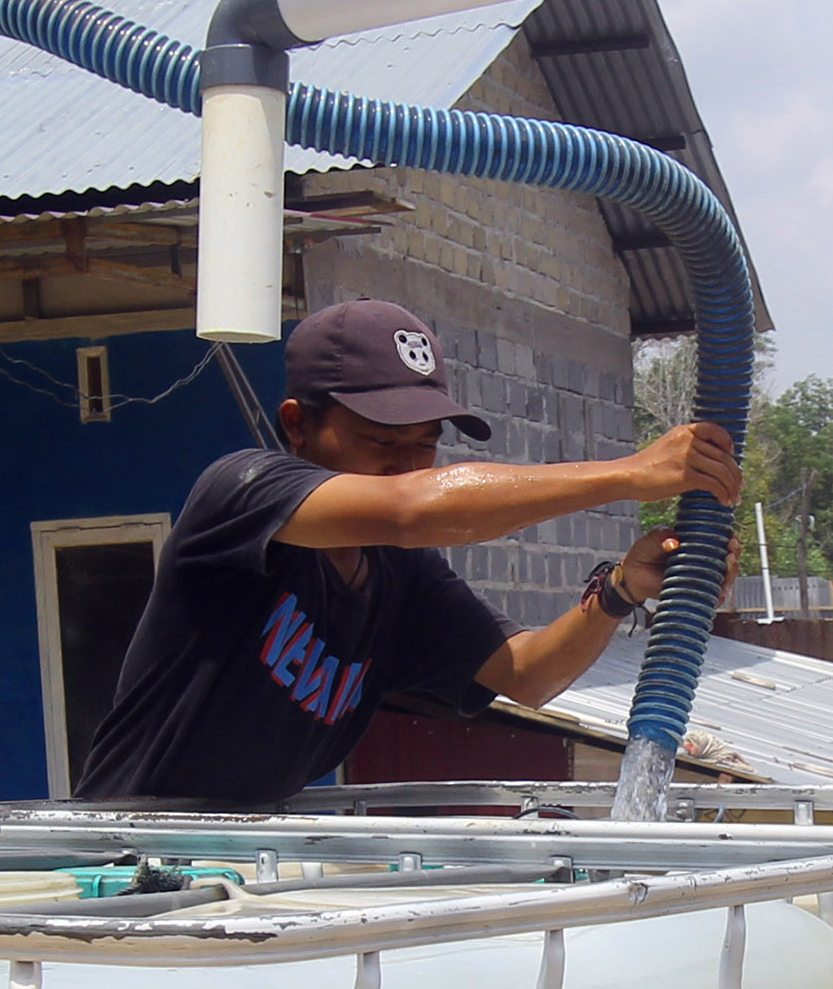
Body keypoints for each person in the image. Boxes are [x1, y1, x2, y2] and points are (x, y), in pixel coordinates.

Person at [68, 298, 745, 806]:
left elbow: (529, 674)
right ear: (298, 426)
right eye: (383, 443)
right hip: (121, 858)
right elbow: (417, 509)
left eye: (425, 444)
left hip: (241, 868)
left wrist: (622, 588)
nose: (410, 465)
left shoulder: (398, 577)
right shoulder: (243, 496)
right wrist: (632, 473)